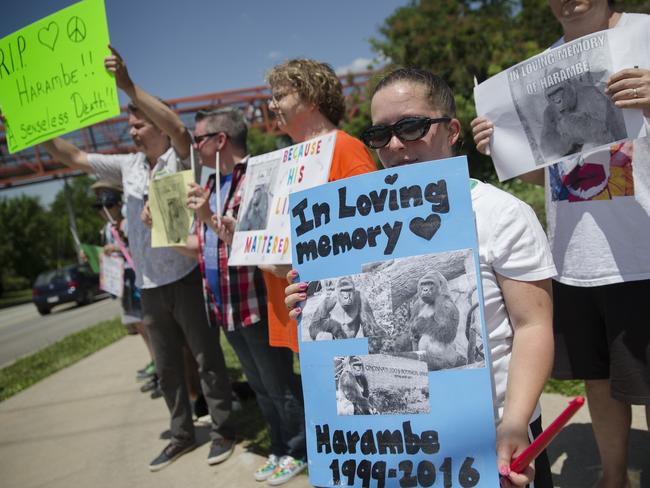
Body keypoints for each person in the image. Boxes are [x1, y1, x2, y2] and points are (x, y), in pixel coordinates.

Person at [286, 68, 556, 488]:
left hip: (492, 431)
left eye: (412, 127)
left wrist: (516, 421)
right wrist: (307, 298)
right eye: (379, 135)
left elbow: (533, 325)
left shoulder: (500, 214)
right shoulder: (353, 226)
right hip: (396, 445)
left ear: (451, 130)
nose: (395, 145)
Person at [472, 2, 650, 486]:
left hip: (642, 255)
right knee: (599, 379)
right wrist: (502, 147)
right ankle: (614, 477)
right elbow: (550, 174)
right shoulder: (542, 67)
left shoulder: (645, 33)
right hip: (574, 258)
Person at [39, 46, 235, 472]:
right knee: (166, 368)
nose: (131, 129)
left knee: (206, 358)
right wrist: (33, 130)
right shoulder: (126, 166)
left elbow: (178, 127)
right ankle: (182, 433)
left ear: (160, 127)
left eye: (139, 121)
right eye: (129, 122)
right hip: (147, 285)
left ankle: (223, 428)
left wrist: (127, 85)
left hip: (184, 275)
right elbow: (71, 157)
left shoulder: (180, 155)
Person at [184, 107, 308, 485]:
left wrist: (211, 220)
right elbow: (201, 245)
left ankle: (299, 449)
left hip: (255, 302)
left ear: (220, 140)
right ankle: (280, 447)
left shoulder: (259, 175)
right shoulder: (209, 186)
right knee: (259, 387)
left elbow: (260, 244)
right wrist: (166, 233)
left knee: (279, 385)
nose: (194, 147)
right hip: (226, 306)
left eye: (198, 139)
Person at [261, 58, 378, 354]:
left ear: (311, 97)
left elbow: (372, 230)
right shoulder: (288, 159)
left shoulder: (345, 148)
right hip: (300, 308)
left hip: (336, 315)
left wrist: (298, 262)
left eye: (280, 96)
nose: (272, 105)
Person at [90, 181, 158, 394]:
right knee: (138, 325)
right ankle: (154, 363)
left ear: (118, 205)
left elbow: (139, 247)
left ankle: (160, 370)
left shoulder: (128, 223)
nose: (104, 211)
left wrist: (119, 245)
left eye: (108, 205)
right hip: (123, 282)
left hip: (138, 279)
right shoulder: (107, 229)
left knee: (149, 325)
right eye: (101, 207)